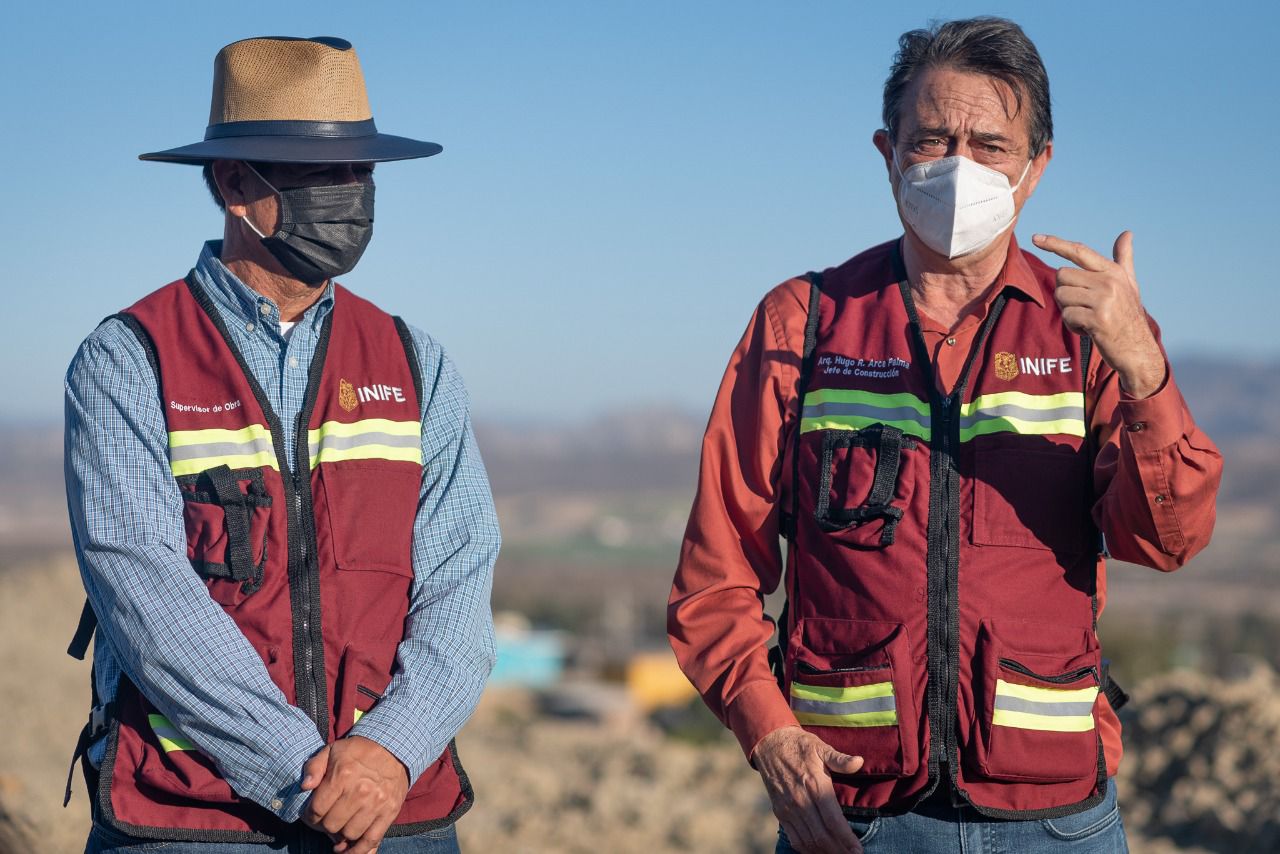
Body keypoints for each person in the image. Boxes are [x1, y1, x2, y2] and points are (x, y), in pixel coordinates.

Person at [668, 16, 1222, 854]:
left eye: (991, 145)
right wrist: (769, 732)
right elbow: (715, 576)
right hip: (851, 816)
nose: (960, 167)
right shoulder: (803, 322)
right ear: (888, 154)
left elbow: (1166, 541)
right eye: (932, 140)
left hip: (1055, 820)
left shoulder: (1091, 334)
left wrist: (1144, 370)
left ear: (1036, 167)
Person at [63, 36, 499, 854]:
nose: (352, 195)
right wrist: (304, 771)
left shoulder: (415, 362)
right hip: (190, 817)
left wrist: (389, 755)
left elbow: (460, 579)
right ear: (235, 184)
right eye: (322, 173)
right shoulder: (130, 357)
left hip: (394, 813)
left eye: (362, 172)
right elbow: (142, 590)